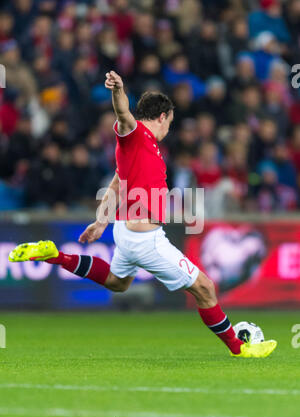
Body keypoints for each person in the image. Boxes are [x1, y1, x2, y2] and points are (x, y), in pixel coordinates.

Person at [8, 71, 277, 358]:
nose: (168, 130)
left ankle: (54, 255)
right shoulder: (135, 134)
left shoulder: (144, 149)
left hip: (127, 232)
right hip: (144, 237)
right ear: (161, 116)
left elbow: (116, 181)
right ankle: (240, 349)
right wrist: (119, 90)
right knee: (205, 287)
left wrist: (101, 221)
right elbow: (123, 113)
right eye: (170, 124)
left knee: (117, 282)